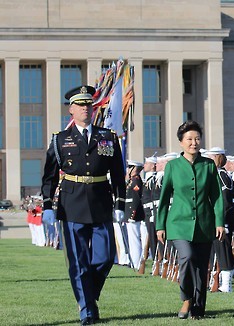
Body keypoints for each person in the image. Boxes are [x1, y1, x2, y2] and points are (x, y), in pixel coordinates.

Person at [41, 85, 126, 325]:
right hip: (72, 204)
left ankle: (89, 296)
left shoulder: (106, 137)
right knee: (78, 261)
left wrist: (120, 204)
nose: (85, 109)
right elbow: (49, 175)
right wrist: (48, 206)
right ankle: (87, 310)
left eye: (88, 104)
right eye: (80, 105)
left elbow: (118, 174)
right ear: (71, 110)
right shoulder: (60, 139)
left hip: (100, 202)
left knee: (105, 257)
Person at [156, 120, 224, 319]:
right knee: (186, 257)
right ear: (181, 142)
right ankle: (186, 298)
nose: (194, 142)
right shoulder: (173, 166)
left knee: (202, 267)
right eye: (189, 139)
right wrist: (160, 225)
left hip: (204, 224)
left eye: (197, 138)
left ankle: (198, 309)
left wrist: (219, 222)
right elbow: (164, 197)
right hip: (178, 223)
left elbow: (217, 196)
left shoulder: (209, 165)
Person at [206, 146, 234, 292]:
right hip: (214, 220)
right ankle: (216, 281)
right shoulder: (215, 175)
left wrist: (222, 222)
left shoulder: (222, 176)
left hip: (221, 221)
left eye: (211, 157)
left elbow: (224, 202)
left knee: (223, 251)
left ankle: (226, 284)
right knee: (215, 250)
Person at [125, 160, 148, 270]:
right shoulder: (132, 181)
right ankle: (134, 262)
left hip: (133, 215)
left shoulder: (136, 181)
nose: (128, 169)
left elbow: (135, 200)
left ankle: (137, 262)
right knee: (132, 240)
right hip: (129, 214)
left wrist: (131, 215)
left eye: (130, 167)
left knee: (134, 240)